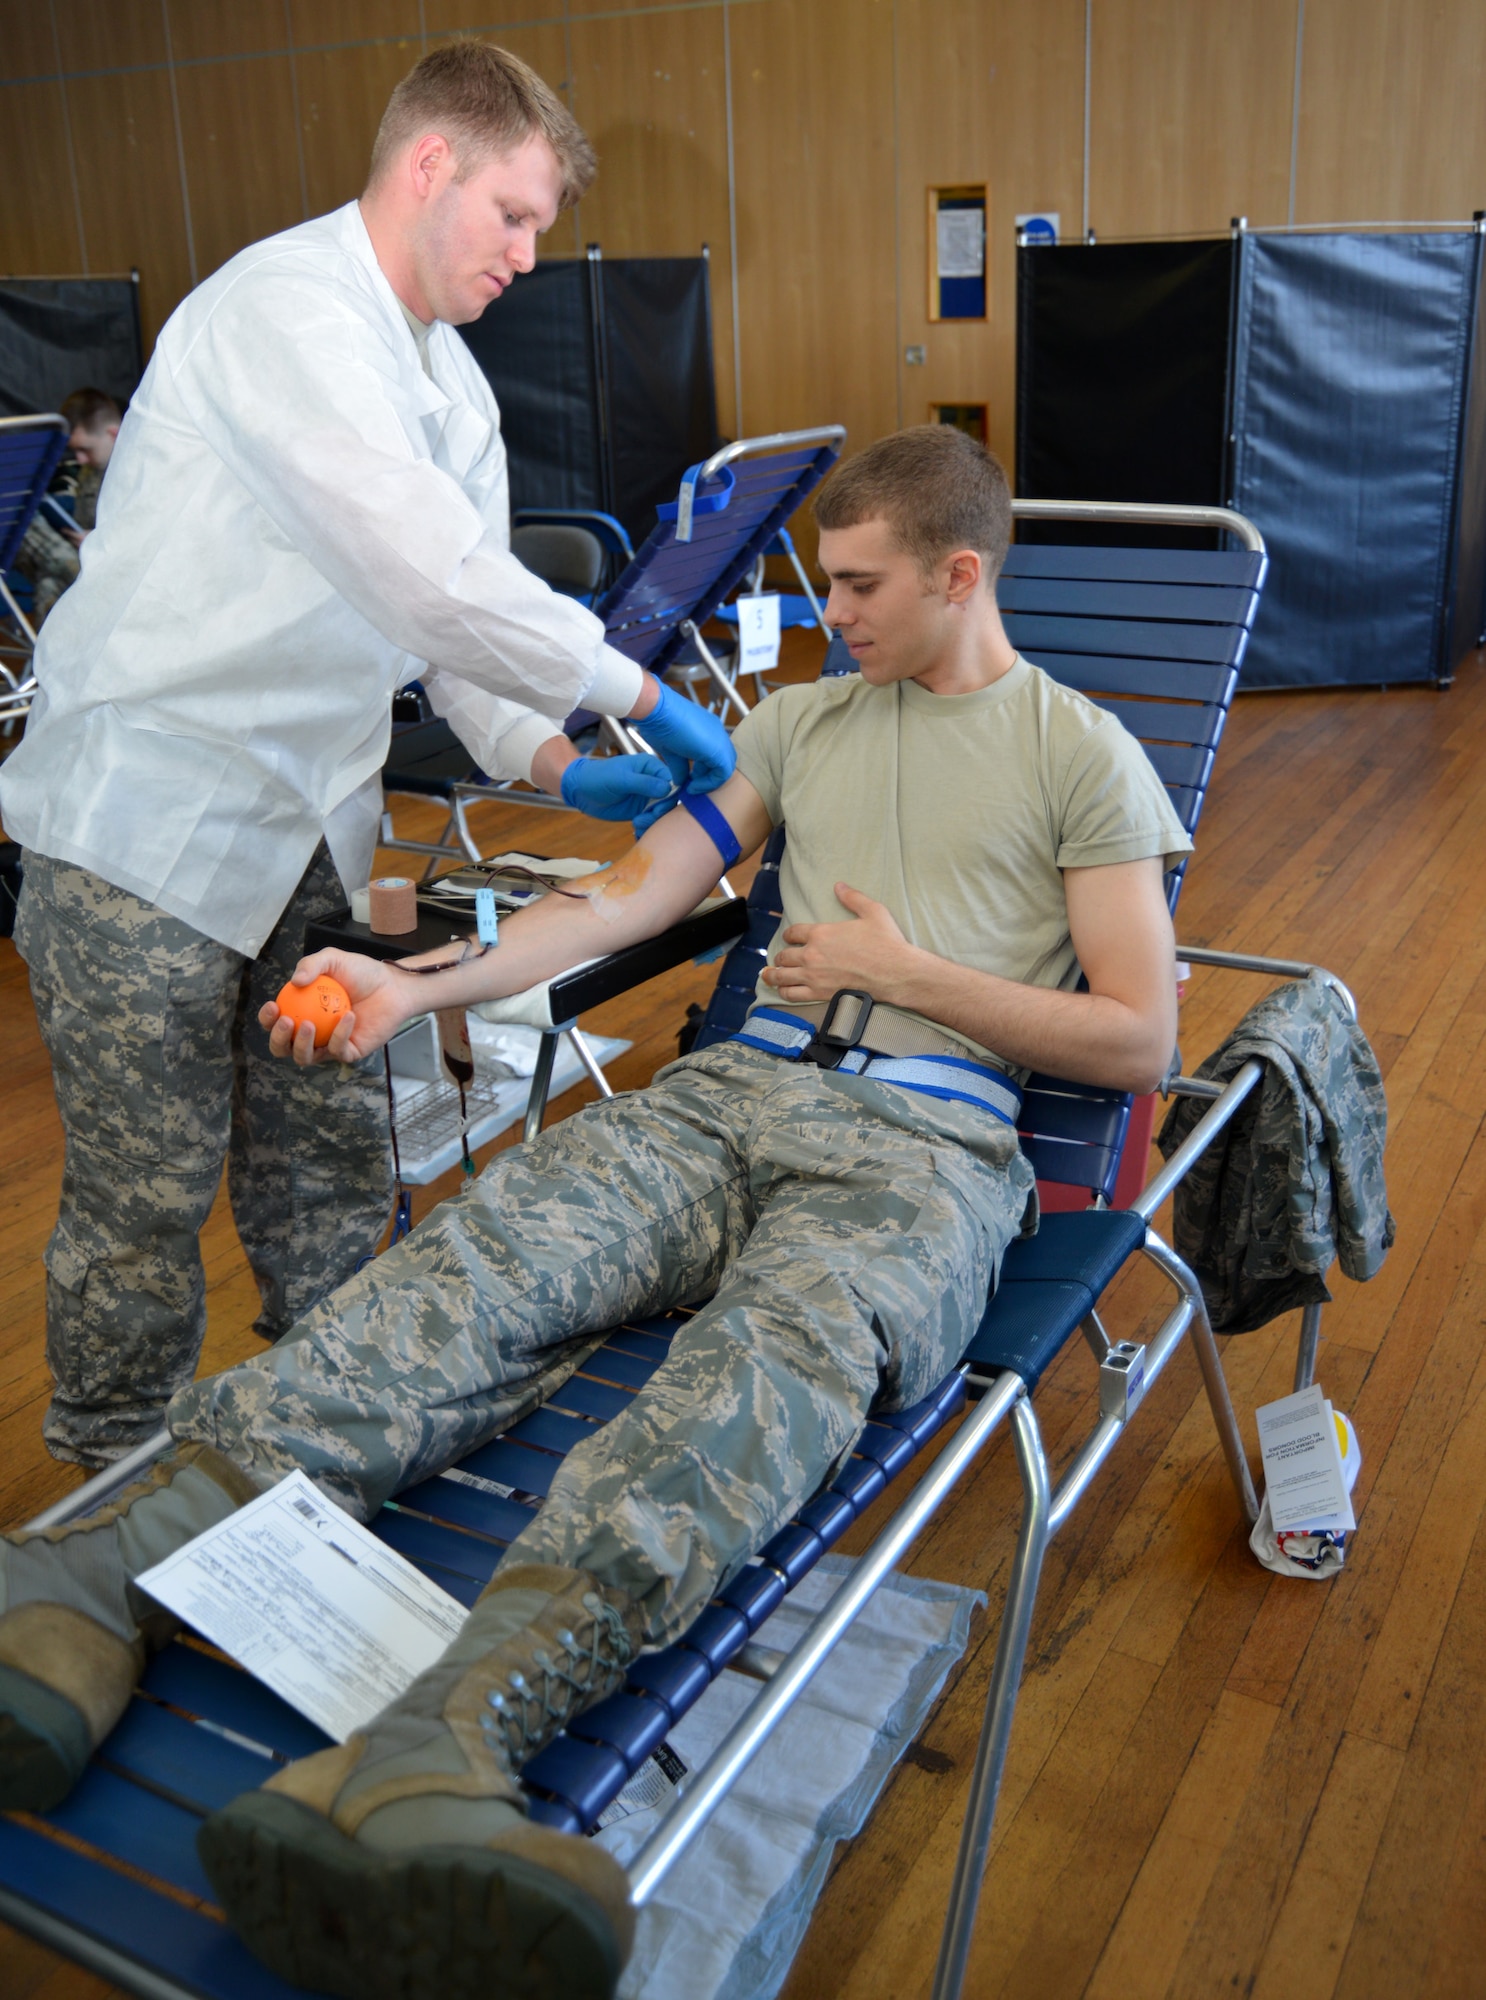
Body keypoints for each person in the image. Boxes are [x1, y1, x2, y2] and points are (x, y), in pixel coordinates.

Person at [0, 428, 1190, 2000]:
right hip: (725, 1100)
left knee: (763, 1379)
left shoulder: (1080, 755)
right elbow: (624, 897)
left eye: (857, 586)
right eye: (824, 583)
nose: (828, 611)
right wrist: (414, 981)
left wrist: (906, 977)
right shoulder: (800, 723)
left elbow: (1138, 1038)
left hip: (923, 1150)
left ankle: (440, 1748)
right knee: (474, 1270)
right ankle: (91, 1585)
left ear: (958, 574)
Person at [0, 42, 734, 1467]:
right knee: (145, 1199)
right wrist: (635, 689)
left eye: (539, 228)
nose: (528, 254)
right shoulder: (283, 310)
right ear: (428, 165)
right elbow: (426, 577)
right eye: (512, 215)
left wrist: (552, 763)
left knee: (330, 1163)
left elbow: (455, 626)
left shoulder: (453, 386)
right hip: (145, 824)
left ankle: (319, 1446)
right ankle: (110, 1474)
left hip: (303, 828)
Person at [59, 386, 123, 540]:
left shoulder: (143, 471)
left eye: (85, 449)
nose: (80, 459)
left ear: (113, 435)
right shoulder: (90, 468)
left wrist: (98, 541)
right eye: (75, 450)